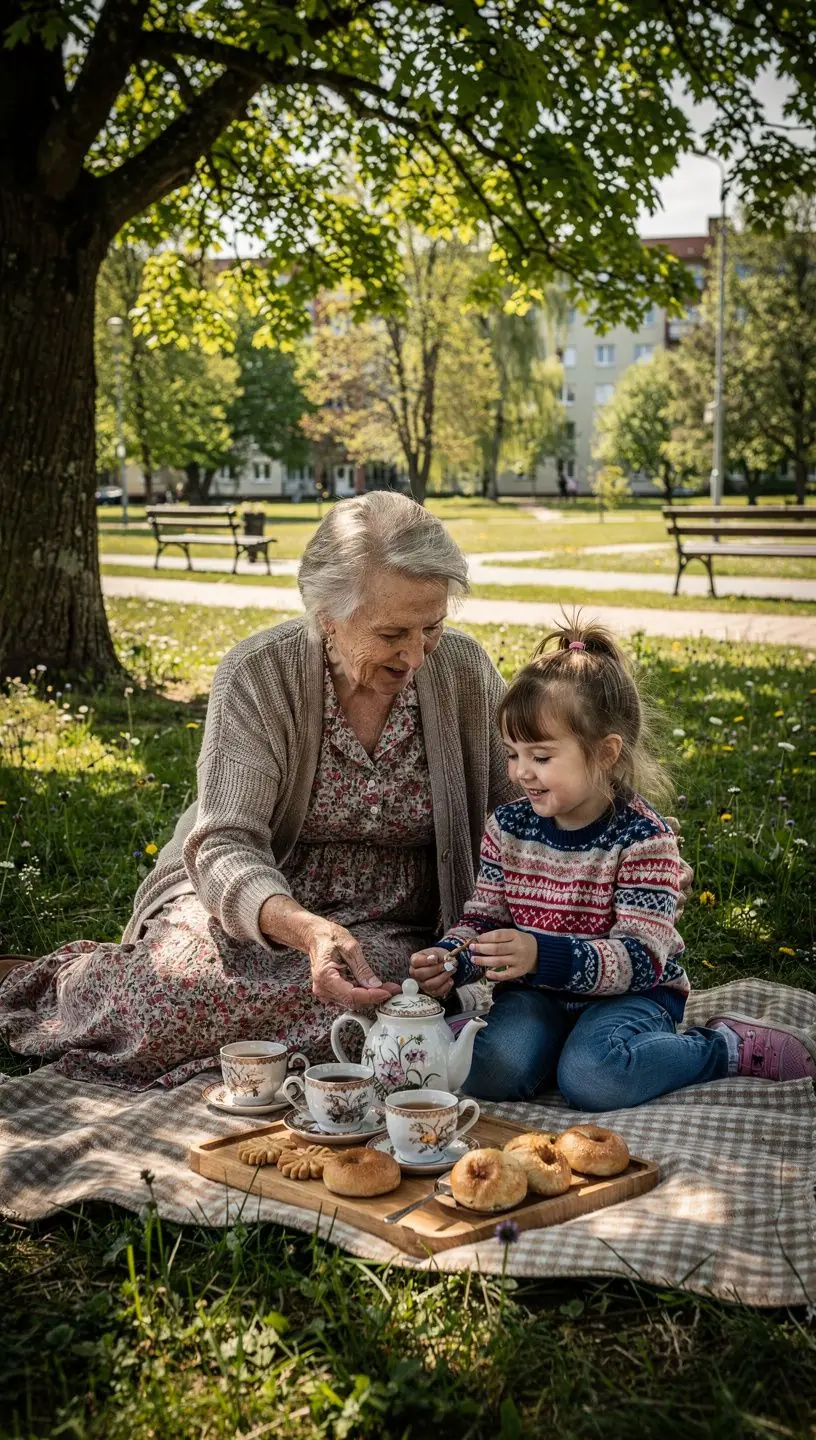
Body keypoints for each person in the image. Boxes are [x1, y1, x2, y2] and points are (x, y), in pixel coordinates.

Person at [0, 494, 518, 1088]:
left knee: (391, 999)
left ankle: (173, 1017)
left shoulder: (463, 671)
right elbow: (224, 845)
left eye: (433, 627)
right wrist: (307, 930)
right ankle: (63, 983)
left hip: (392, 927)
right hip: (251, 909)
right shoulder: (257, 675)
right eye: (392, 632)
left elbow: (521, 811)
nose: (416, 653)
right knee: (170, 991)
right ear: (327, 613)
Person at [410, 619, 816, 1108]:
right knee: (486, 1070)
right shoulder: (508, 827)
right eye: (512, 753)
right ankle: (541, 1048)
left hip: (633, 996)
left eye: (540, 756)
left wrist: (540, 954)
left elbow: (644, 959)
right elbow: (485, 918)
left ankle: (722, 1048)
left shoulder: (643, 839)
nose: (520, 772)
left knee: (595, 1077)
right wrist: (453, 959)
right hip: (536, 994)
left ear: (604, 754)